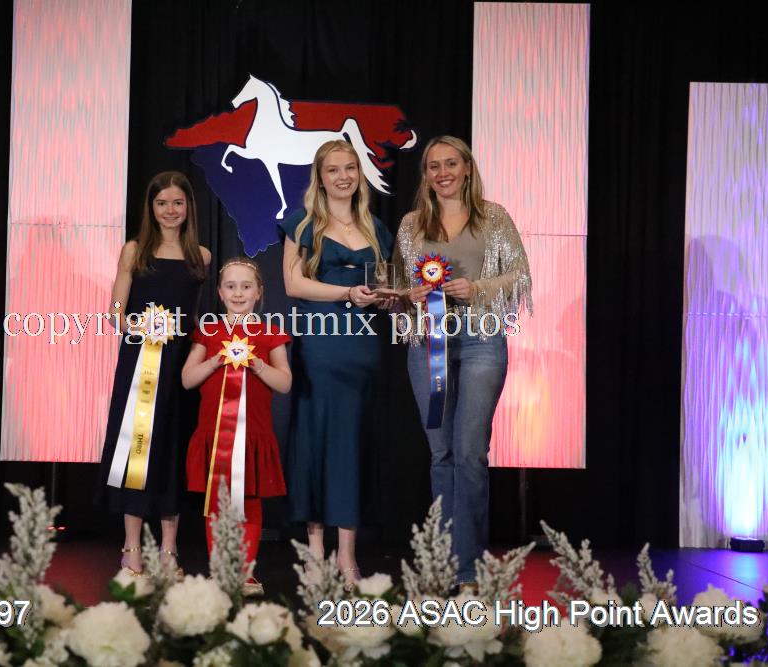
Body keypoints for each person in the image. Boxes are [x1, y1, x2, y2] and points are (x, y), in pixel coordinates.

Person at [395, 135, 532, 586]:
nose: (442, 173)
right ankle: (441, 565)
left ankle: (469, 569)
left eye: (450, 163)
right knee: (441, 455)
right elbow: (399, 290)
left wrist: (478, 288)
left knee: (471, 453)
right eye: (433, 166)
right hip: (427, 343)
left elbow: (520, 275)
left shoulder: (494, 217)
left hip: (481, 341)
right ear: (426, 174)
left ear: (467, 168)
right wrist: (410, 295)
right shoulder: (412, 224)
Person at [279, 139, 395, 589]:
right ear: (320, 177)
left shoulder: (376, 228)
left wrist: (391, 298)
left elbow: (381, 287)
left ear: (359, 175)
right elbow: (293, 284)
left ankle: (347, 555)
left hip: (363, 349)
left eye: (350, 168)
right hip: (321, 345)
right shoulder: (302, 222)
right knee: (316, 440)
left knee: (351, 445)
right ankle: (315, 553)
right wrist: (346, 292)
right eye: (333, 169)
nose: (343, 176)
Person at [97, 171, 211, 577]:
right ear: (151, 208)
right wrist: (137, 325)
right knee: (136, 452)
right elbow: (115, 311)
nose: (170, 210)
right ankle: (131, 549)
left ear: (188, 207)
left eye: (177, 203)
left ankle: (169, 550)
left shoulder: (201, 256)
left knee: (172, 452)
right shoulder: (134, 251)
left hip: (180, 366)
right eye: (162, 203)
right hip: (140, 364)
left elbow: (193, 317)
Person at [183, 256, 292, 597]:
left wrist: (257, 364)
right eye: (231, 286)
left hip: (253, 435)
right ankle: (220, 571)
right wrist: (216, 360)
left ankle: (245, 572)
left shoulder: (270, 334)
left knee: (250, 502)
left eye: (246, 286)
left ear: (259, 292)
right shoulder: (208, 333)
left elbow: (284, 382)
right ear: (219, 292)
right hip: (215, 436)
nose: (238, 293)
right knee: (217, 502)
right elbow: (187, 379)